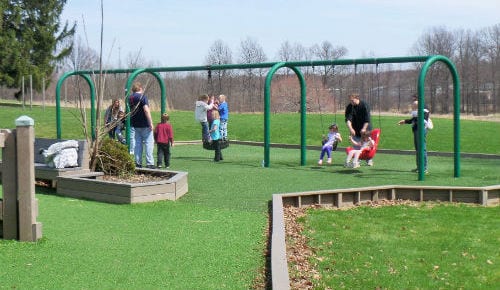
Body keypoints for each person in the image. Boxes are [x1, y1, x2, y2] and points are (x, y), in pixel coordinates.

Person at [398, 96, 431, 174]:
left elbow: (423, 120)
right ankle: (419, 167)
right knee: (418, 149)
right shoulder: (417, 109)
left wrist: (414, 119)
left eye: (414, 99)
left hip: (421, 130)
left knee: (422, 149)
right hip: (416, 130)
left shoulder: (424, 108)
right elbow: (414, 119)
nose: (413, 101)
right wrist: (405, 121)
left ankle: (424, 168)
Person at [128, 81, 155, 168]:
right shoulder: (142, 97)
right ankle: (149, 163)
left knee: (138, 143)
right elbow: (146, 110)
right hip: (145, 124)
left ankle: (138, 162)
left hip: (135, 124)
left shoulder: (130, 98)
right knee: (148, 143)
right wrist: (150, 122)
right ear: (140, 88)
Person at [345, 93, 373, 165]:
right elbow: (348, 119)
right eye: (350, 101)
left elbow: (367, 119)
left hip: (366, 129)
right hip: (355, 128)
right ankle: (357, 160)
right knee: (357, 146)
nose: (351, 102)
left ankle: (369, 159)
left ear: (357, 98)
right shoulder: (349, 107)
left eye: (352, 100)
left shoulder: (364, 105)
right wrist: (351, 128)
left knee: (366, 145)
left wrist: (364, 128)